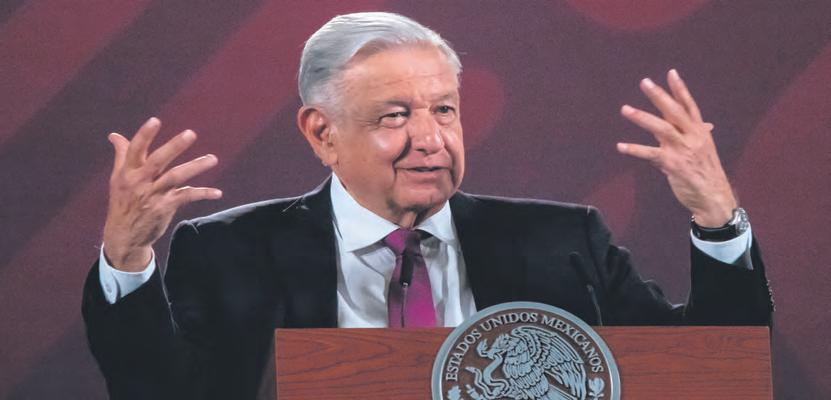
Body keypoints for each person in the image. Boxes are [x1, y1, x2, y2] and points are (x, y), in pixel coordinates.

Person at [82, 12, 773, 400]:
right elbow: (156, 391)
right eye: (395, 115)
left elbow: (713, 371)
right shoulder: (231, 251)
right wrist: (127, 258)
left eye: (444, 109)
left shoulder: (562, 241)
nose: (431, 139)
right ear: (321, 133)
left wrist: (719, 224)